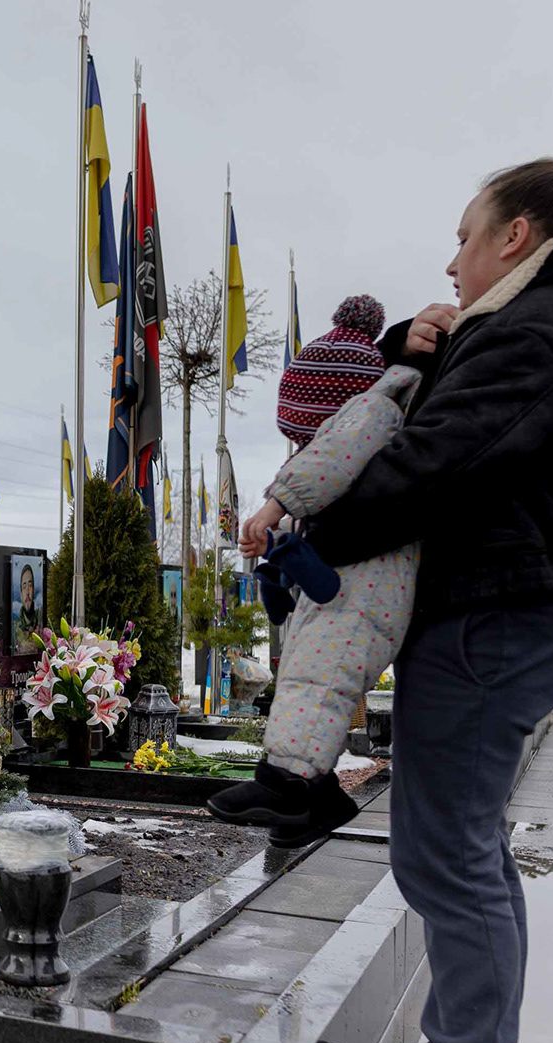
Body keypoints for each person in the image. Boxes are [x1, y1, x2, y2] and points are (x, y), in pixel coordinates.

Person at [300, 152, 553, 1043]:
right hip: (508, 613)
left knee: (445, 853)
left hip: (492, 617)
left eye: (464, 234)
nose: (450, 256)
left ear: (514, 237)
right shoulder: (541, 325)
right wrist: (425, 348)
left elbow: (430, 465)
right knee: (468, 851)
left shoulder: (532, 332)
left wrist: (311, 544)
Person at [207, 296, 415, 844]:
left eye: (302, 432)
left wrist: (275, 506)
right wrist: (280, 568)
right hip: (353, 583)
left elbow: (327, 462)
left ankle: (291, 788)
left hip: (371, 584)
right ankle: (310, 798)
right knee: (310, 674)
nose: (298, 444)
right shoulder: (366, 427)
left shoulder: (371, 414)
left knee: (322, 680)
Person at [14, 563, 42, 652]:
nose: (27, 593)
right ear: (21, 593)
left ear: (33, 589)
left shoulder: (40, 618)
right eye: (24, 586)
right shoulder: (15, 627)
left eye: (30, 586)